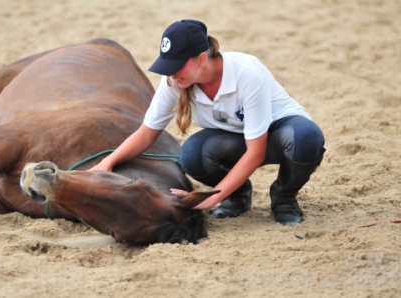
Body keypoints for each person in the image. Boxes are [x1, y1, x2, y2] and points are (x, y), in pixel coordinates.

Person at [88, 19, 325, 225]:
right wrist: (107, 163)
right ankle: (239, 195)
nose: (170, 74)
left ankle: (284, 197)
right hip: (235, 138)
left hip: (278, 133)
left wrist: (212, 197)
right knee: (191, 155)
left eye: (177, 66)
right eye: (167, 66)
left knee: (307, 138)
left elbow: (256, 152)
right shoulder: (174, 80)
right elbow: (147, 133)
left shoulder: (247, 72)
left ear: (202, 59)